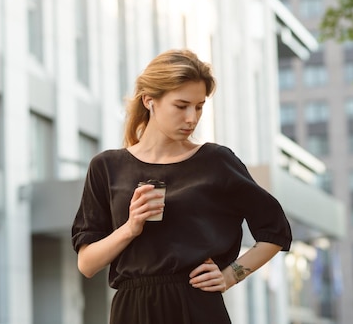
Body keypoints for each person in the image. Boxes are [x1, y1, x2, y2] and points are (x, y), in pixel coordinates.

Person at [71, 49, 292, 324]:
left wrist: (230, 275)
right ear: (149, 101)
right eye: (181, 105)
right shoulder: (106, 167)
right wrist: (130, 227)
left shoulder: (216, 161)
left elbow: (275, 232)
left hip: (197, 307)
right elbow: (87, 264)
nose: (192, 118)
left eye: (199, 107)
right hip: (131, 311)